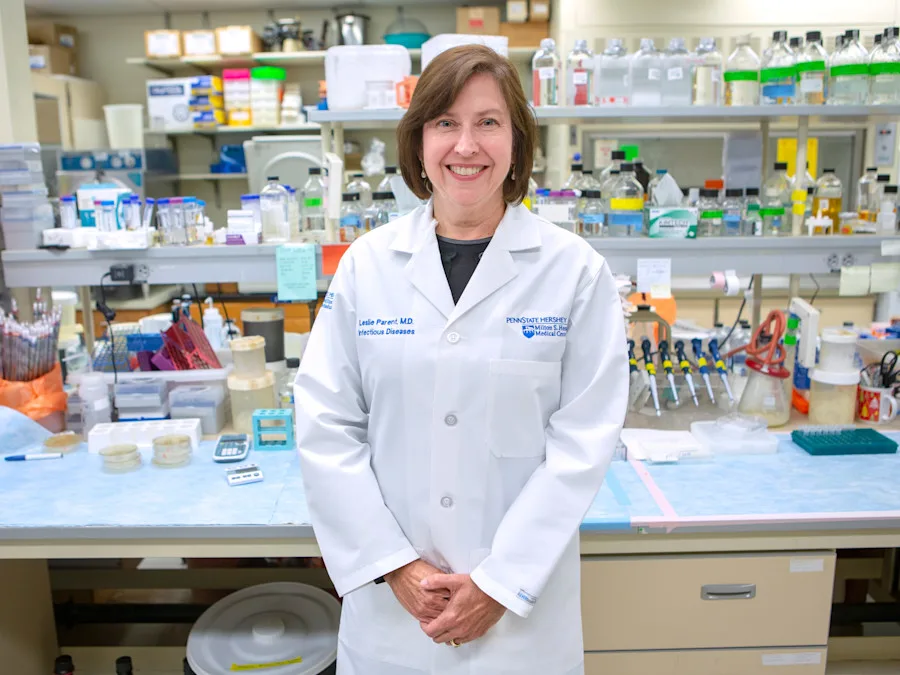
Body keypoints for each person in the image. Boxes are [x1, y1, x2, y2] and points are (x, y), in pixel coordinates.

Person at [294, 44, 628, 675]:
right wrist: (393, 565)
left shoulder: (574, 273)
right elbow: (325, 427)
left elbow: (582, 444)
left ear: (517, 142)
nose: (466, 145)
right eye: (445, 123)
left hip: (522, 619)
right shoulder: (367, 266)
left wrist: (502, 583)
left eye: (488, 122)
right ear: (418, 142)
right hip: (396, 614)